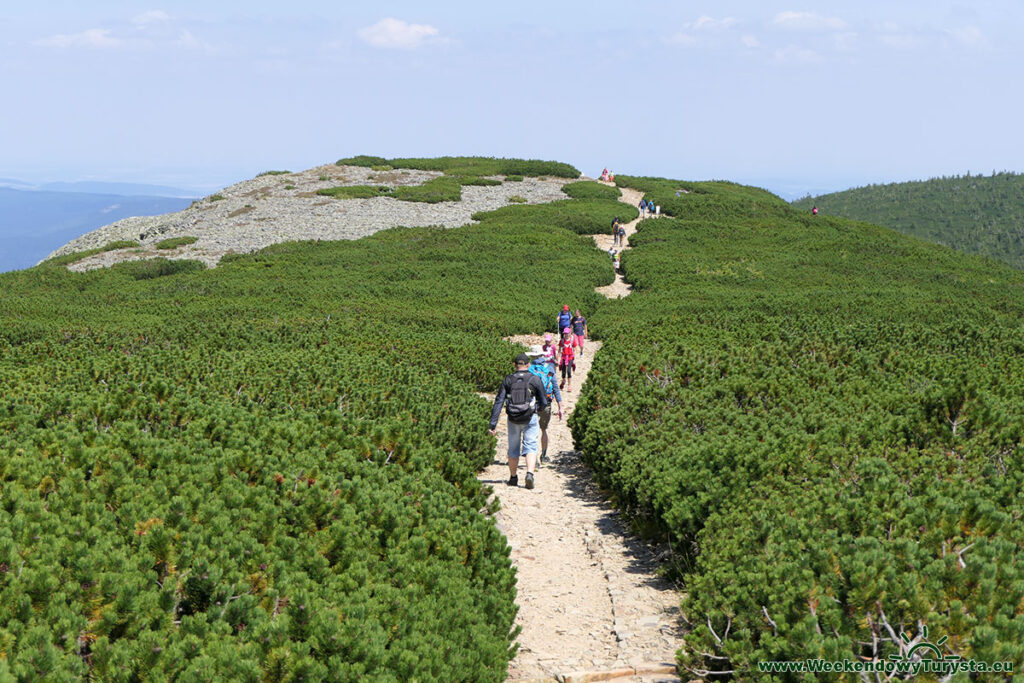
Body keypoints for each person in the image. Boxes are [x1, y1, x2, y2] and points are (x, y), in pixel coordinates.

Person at [489, 353, 549, 489]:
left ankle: (513, 477)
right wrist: (537, 410)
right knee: (531, 445)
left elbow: (499, 401)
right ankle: (529, 473)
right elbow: (544, 401)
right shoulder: (535, 379)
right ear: (528, 365)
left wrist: (493, 424)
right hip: (530, 417)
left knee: (513, 448)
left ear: (515, 365)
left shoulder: (508, 380)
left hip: (513, 418)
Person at [527, 345, 563, 464]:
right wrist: (560, 406)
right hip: (546, 402)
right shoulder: (549, 369)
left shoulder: (529, 369)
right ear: (542, 355)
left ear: (531, 357)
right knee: (544, 429)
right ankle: (544, 455)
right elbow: (555, 388)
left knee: (532, 430)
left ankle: (534, 458)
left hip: (532, 402)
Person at [558, 327, 575, 391]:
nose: (566, 334)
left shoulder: (572, 340)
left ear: (570, 333)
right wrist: (558, 357)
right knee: (563, 371)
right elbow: (559, 349)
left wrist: (574, 358)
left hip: (570, 357)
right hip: (564, 357)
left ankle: (569, 385)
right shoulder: (562, 341)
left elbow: (575, 349)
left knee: (569, 371)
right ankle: (563, 381)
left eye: (567, 333)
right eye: (565, 333)